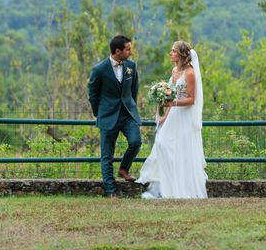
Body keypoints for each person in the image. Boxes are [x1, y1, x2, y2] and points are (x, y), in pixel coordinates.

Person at [136, 41, 208, 198]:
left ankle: (182, 188)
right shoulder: (175, 70)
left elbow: (191, 99)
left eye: (173, 51)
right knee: (162, 143)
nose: (170, 53)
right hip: (173, 114)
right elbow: (172, 95)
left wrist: (172, 103)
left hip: (185, 115)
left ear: (181, 54)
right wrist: (164, 115)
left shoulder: (189, 73)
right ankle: (169, 186)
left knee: (181, 150)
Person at [88, 35, 142, 198]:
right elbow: (93, 93)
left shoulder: (131, 66)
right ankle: (110, 190)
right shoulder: (99, 69)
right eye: (128, 49)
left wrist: (131, 107)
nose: (130, 52)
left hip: (127, 114)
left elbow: (134, 90)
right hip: (107, 116)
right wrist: (99, 113)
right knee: (107, 155)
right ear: (117, 51)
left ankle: (124, 168)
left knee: (136, 141)